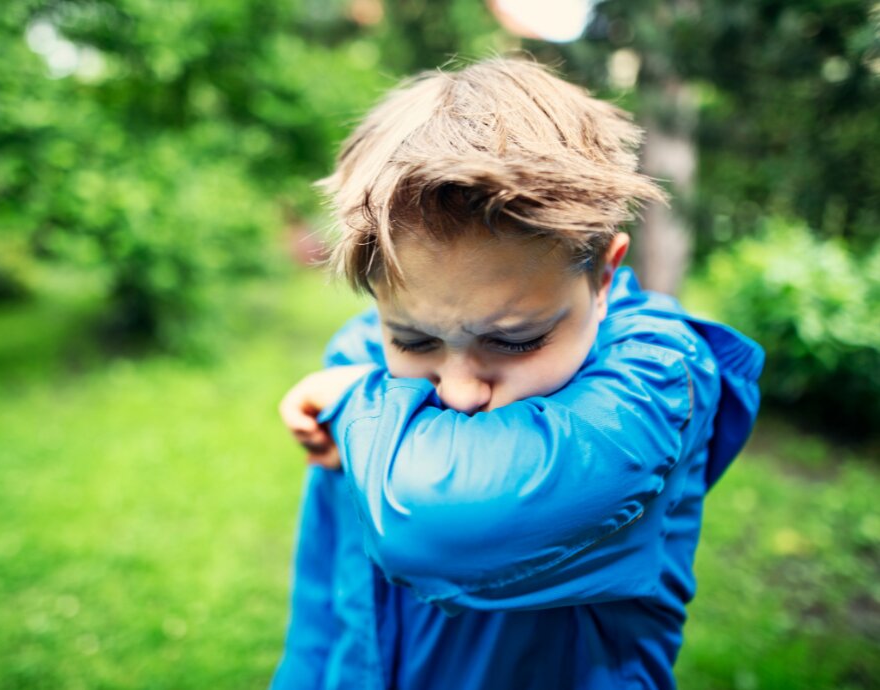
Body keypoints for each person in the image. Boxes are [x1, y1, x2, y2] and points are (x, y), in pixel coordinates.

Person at [271, 57, 763, 690]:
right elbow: (328, 595)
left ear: (603, 273)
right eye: (414, 338)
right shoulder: (363, 360)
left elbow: (432, 526)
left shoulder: (662, 376)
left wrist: (352, 404)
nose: (460, 389)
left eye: (514, 341)